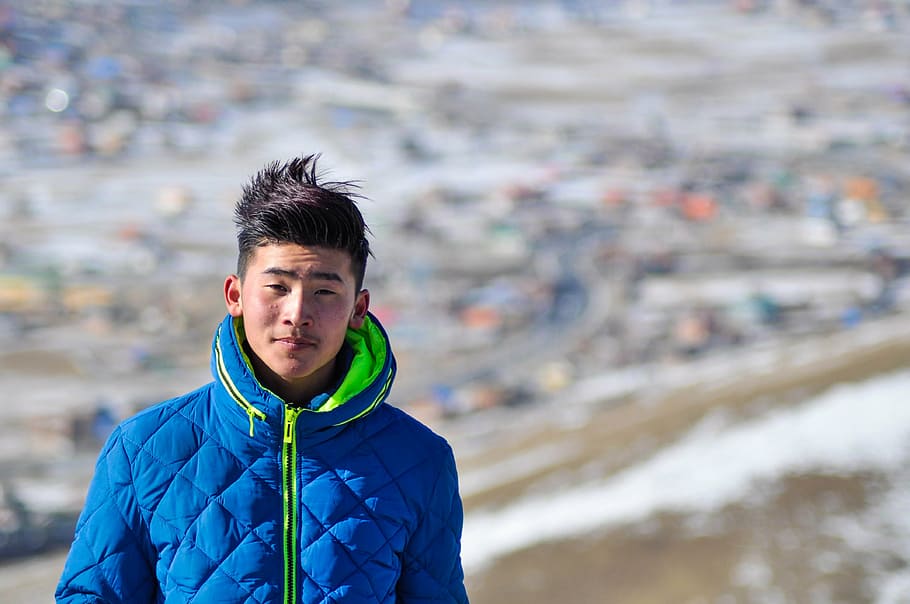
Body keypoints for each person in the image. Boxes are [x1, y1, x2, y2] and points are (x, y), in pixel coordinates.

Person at [56, 155, 469, 603]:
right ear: (235, 294)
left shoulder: (419, 460)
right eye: (277, 287)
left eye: (324, 292)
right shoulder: (145, 450)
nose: (297, 314)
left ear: (358, 309)